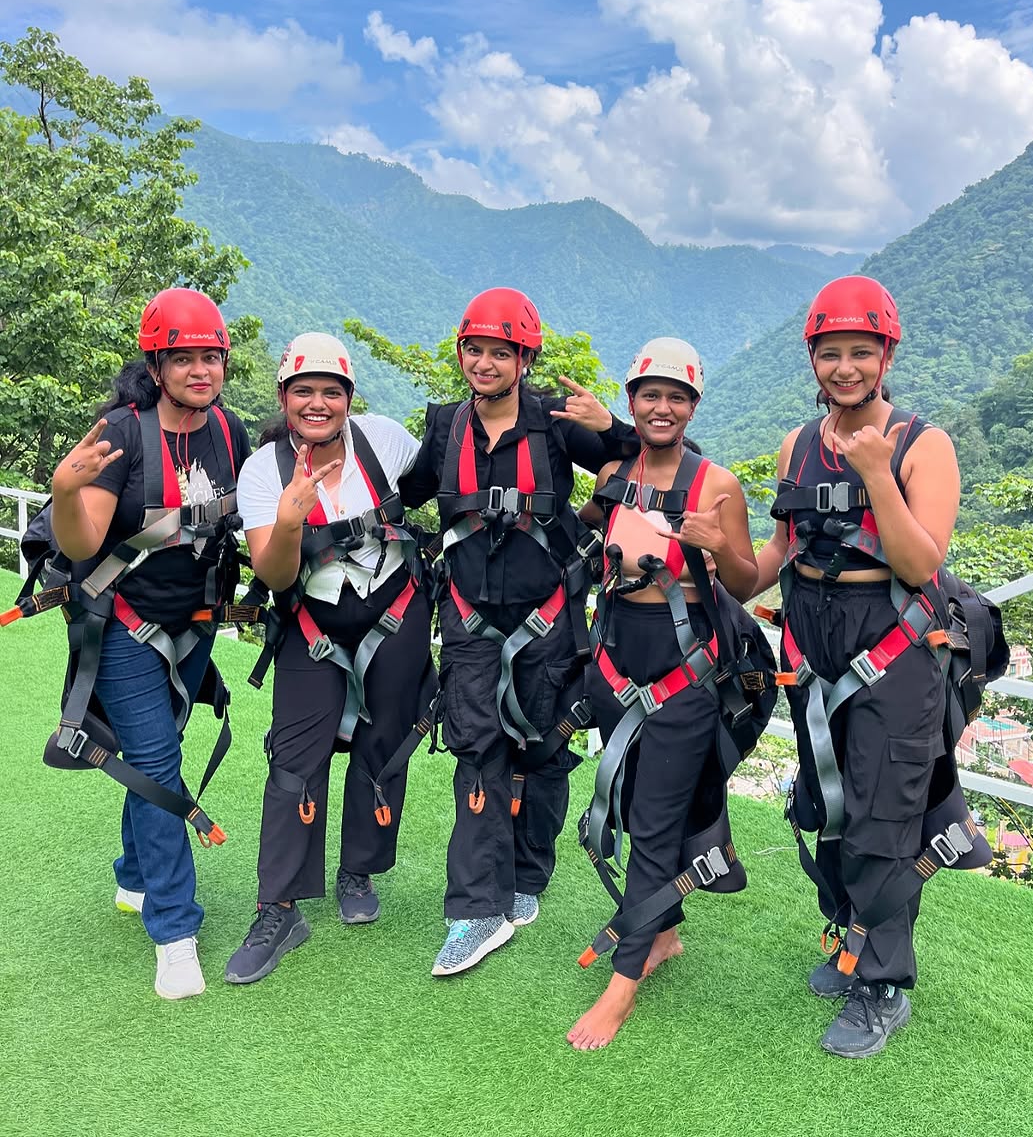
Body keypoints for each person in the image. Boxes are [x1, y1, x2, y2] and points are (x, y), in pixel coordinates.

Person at [398, 287, 638, 976]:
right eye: (474, 349)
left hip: (549, 619)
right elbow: (407, 492)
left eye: (499, 351)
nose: (483, 362)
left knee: (544, 750)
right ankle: (476, 909)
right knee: (477, 750)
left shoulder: (557, 424)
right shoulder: (445, 427)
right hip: (472, 620)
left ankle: (528, 873)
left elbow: (648, 454)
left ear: (523, 357)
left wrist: (612, 426)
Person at [753, 275, 961, 1058]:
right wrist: (725, 555)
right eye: (830, 352)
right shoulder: (796, 446)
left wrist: (876, 471)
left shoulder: (920, 444)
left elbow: (921, 560)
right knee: (829, 800)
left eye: (860, 352)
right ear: (812, 358)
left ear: (886, 355)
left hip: (892, 643)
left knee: (885, 816)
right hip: (810, 639)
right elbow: (777, 555)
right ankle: (849, 940)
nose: (845, 367)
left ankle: (883, 983)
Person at [47, 288, 250, 1000]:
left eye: (211, 357)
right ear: (155, 364)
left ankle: (134, 877)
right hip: (125, 628)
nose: (200, 370)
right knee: (160, 766)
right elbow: (82, 543)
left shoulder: (227, 433)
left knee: (158, 750)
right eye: (183, 358)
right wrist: (66, 491)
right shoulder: (122, 433)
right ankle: (175, 931)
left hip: (192, 626)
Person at [566, 337, 763, 1050]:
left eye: (676, 396)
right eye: (650, 394)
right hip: (617, 663)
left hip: (684, 675)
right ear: (631, 401)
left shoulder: (718, 485)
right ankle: (663, 935)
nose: (662, 406)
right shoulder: (614, 473)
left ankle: (621, 988)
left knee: (653, 823)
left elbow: (745, 583)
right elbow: (593, 545)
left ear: (693, 407)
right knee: (622, 803)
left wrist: (716, 546)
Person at [225, 333, 434, 985]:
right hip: (310, 617)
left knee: (385, 741)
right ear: (284, 398)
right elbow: (275, 573)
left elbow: (434, 494)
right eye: (304, 391)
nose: (317, 403)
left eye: (330, 392)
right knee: (295, 756)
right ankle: (279, 906)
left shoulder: (385, 443)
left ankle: (358, 868)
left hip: (394, 609)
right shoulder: (263, 471)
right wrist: (291, 520)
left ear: (348, 398)